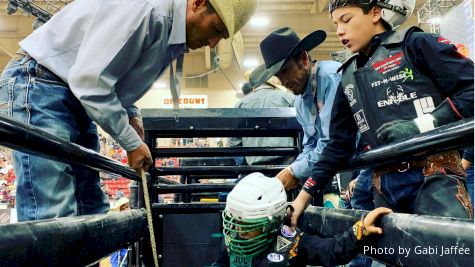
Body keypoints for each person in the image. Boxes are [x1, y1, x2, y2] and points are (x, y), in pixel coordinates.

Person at [0, 0, 257, 222]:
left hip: (67, 95)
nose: (213, 44)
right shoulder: (147, 9)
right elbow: (90, 80)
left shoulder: (167, 26)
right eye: (216, 30)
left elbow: (115, 74)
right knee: (53, 215)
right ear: (198, 2)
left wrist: (131, 115)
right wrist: (132, 143)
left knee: (91, 211)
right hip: (42, 85)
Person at [288, 0, 473, 228]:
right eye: (336, 24)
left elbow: (471, 90)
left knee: (447, 253)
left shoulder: (417, 44)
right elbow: (338, 144)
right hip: (384, 188)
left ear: (375, 12)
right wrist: (303, 197)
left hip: (435, 177)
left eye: (346, 19)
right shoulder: (348, 77)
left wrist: (422, 125)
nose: (339, 31)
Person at [212, 172, 392, 266]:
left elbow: (331, 251)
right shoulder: (231, 242)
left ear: (271, 223)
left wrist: (359, 230)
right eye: (234, 223)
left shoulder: (293, 242)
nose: (238, 231)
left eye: (247, 225)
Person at [249, 27, 343, 193]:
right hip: (333, 166)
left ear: (304, 59)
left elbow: (332, 141)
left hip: (359, 165)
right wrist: (291, 170)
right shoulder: (300, 103)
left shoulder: (331, 77)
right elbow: (310, 146)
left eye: (285, 71)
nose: (283, 81)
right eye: (278, 76)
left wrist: (294, 171)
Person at [229, 69, 295, 166]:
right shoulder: (288, 98)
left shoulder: (240, 104)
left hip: (254, 165)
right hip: (285, 162)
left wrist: (245, 165)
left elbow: (233, 143)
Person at [109, 197, 130, 267]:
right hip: (124, 259)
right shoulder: (118, 228)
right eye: (123, 209)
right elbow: (113, 251)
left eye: (127, 207)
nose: (126, 210)